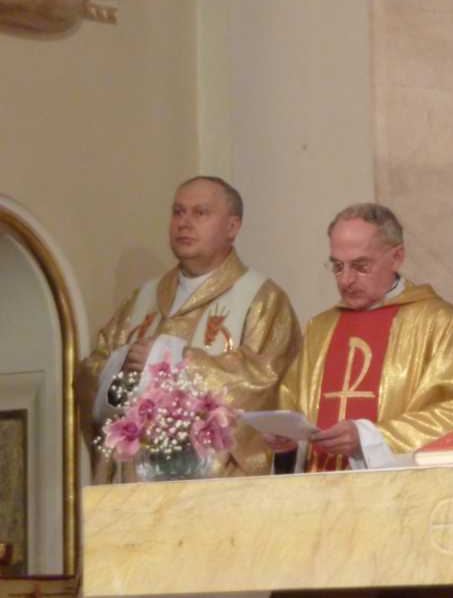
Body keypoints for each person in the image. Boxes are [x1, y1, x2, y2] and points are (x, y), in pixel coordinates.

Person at [77, 175, 302, 480]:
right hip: (136, 487)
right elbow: (90, 373)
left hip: (216, 488)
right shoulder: (142, 299)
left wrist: (170, 360)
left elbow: (265, 381)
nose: (184, 223)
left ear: (232, 227)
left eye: (200, 213)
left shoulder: (262, 300)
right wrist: (122, 368)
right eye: (178, 212)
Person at [273, 202, 453, 470]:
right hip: (320, 489)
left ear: (397, 257)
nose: (346, 280)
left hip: (398, 491)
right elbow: (294, 412)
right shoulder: (320, 329)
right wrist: (287, 444)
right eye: (338, 266)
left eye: (360, 266)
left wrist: (368, 439)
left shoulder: (439, 323)